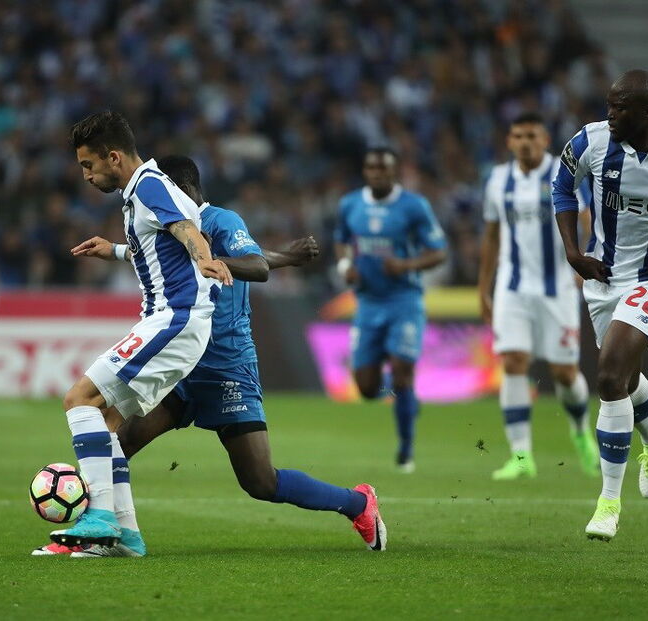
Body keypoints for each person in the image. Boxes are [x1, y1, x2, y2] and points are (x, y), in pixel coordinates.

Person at [35, 155, 386, 557]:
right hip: (182, 364)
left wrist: (226, 261)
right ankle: (106, 533)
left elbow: (254, 263)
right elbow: (163, 256)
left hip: (226, 365)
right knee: (117, 437)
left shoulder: (219, 219)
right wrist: (115, 250)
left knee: (260, 482)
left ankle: (358, 503)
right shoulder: (172, 225)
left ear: (180, 189)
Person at [51, 111, 232, 554]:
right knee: (108, 422)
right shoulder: (140, 193)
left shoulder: (150, 185)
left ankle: (98, 517)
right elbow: (158, 249)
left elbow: (185, 231)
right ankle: (126, 535)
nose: (87, 176)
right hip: (175, 322)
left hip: (175, 319)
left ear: (114, 157)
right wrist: (113, 250)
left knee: (79, 399)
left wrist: (204, 255)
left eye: (88, 165)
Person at [552, 70, 648, 540]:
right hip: (602, 276)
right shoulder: (591, 141)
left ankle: (608, 503)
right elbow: (561, 187)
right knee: (623, 377)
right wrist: (573, 252)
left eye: (621, 107)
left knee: (607, 377)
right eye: (609, 104)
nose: (610, 114)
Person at [478, 112, 599, 481]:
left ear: (545, 139)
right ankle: (520, 456)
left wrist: (586, 263)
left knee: (564, 372)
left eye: (531, 135)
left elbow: (589, 221)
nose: (525, 142)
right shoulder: (498, 180)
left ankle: (580, 432)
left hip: (558, 287)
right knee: (513, 362)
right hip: (513, 288)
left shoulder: (565, 174)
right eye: (518, 135)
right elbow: (493, 235)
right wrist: (484, 287)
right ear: (509, 141)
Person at [334, 148, 446, 472]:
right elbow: (341, 239)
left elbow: (438, 252)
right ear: (365, 171)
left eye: (384, 169)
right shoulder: (350, 204)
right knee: (368, 388)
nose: (377, 174)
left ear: (394, 172)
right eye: (372, 168)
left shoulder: (414, 206)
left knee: (402, 370)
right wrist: (345, 266)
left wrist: (407, 264)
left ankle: (406, 451)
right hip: (368, 302)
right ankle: (407, 398)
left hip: (404, 300)